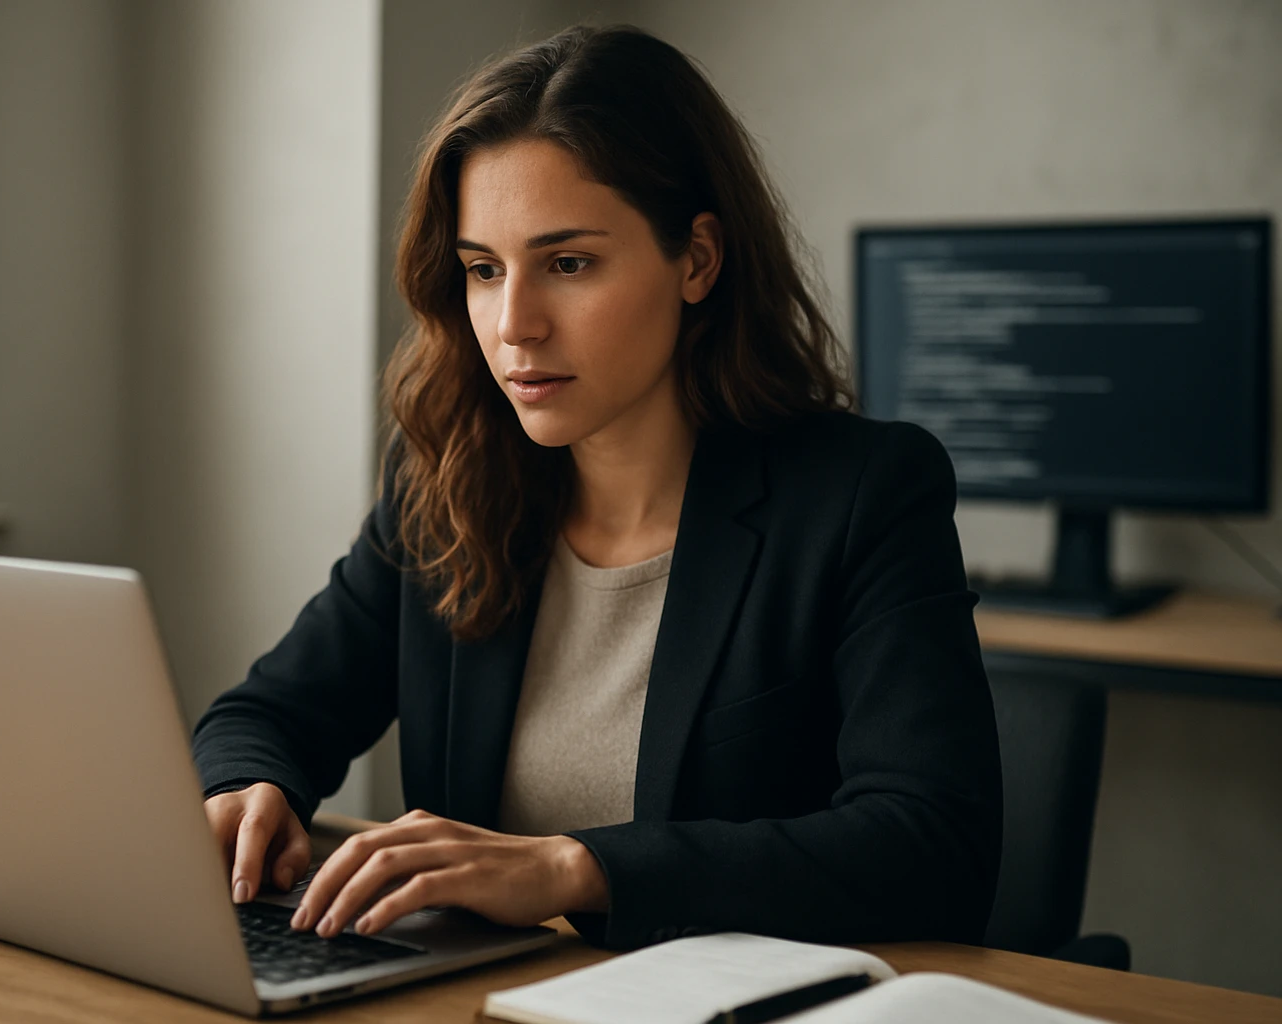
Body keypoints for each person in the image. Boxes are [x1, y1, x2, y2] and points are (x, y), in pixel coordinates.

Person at [193, 23, 1001, 952]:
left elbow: (935, 851)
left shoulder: (862, 495)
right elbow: (266, 714)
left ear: (697, 259)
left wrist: (573, 866)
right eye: (483, 270)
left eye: (568, 264)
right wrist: (248, 788)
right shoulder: (446, 481)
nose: (514, 325)